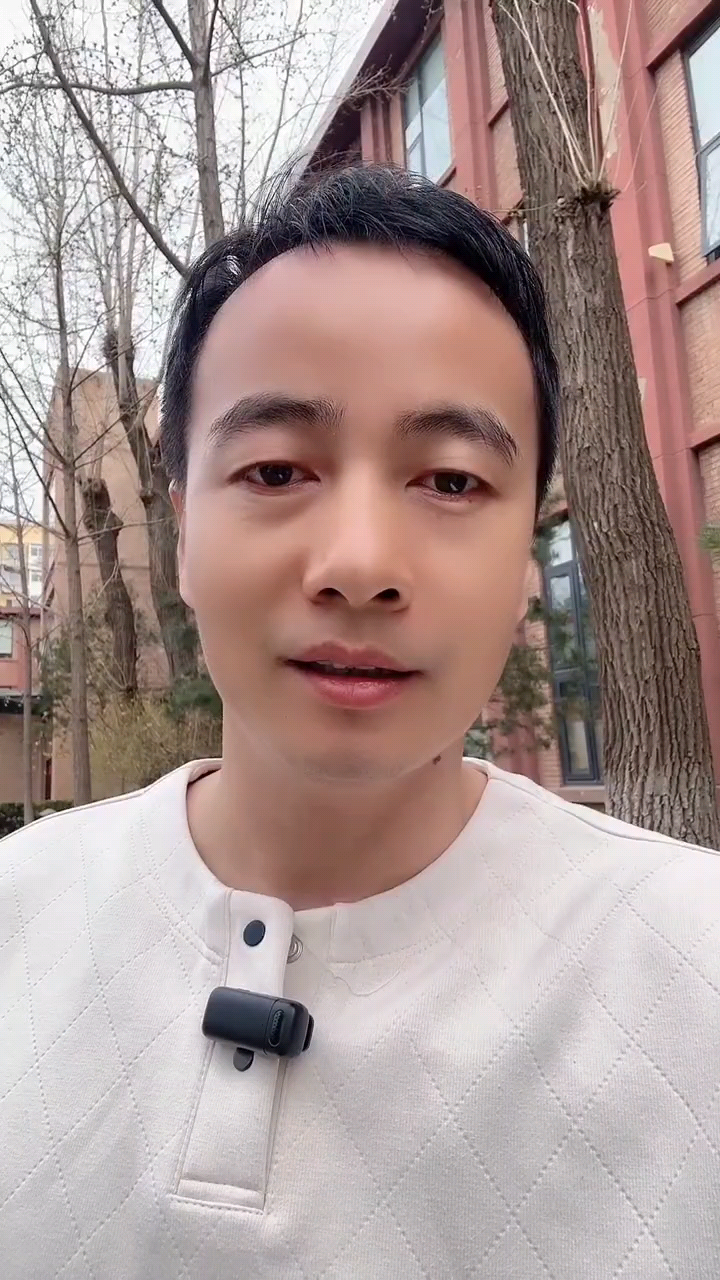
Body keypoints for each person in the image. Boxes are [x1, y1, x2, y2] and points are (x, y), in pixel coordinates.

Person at [2, 164, 719, 1280]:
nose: (360, 565)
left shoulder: (694, 966)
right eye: (276, 468)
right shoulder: (20, 914)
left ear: (527, 554)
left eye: (451, 482)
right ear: (183, 535)